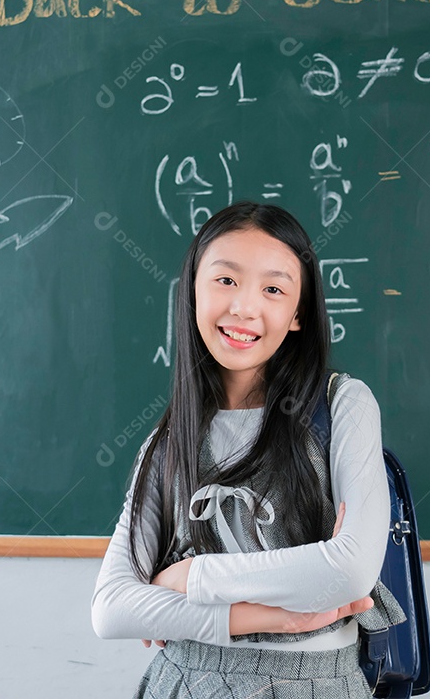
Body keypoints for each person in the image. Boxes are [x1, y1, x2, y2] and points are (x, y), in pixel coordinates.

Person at [91, 201, 405, 698]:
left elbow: (349, 571)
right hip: (186, 682)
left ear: (298, 313)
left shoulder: (342, 405)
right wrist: (266, 616)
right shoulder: (168, 442)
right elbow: (112, 608)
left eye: (274, 289)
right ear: (192, 288)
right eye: (226, 280)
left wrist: (188, 577)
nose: (244, 307)